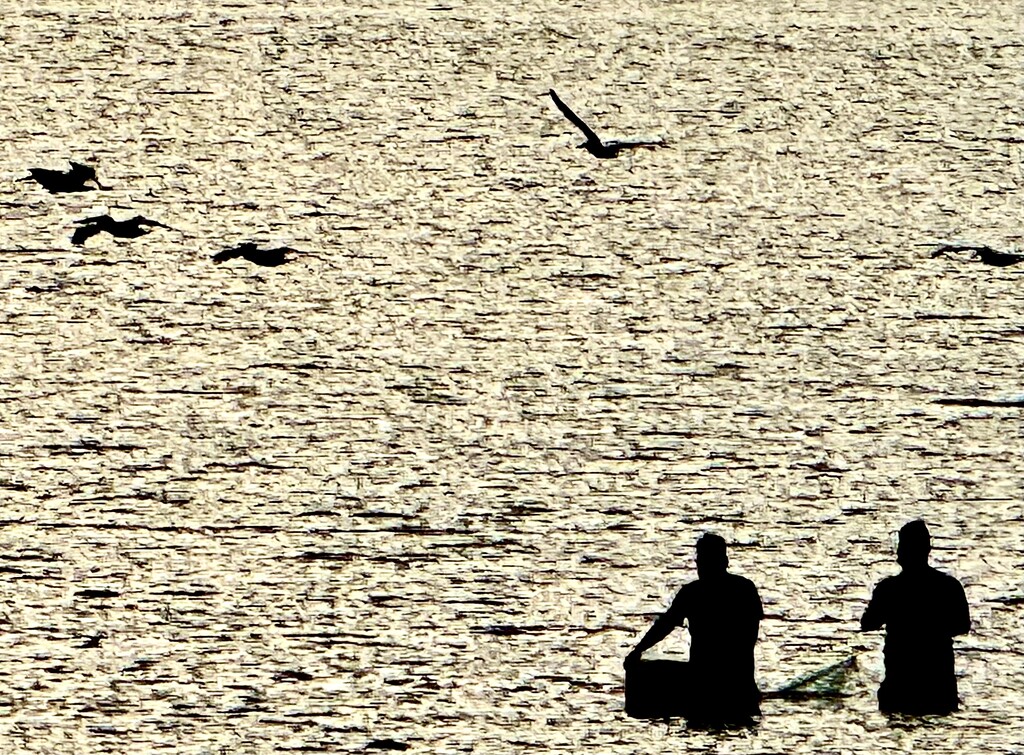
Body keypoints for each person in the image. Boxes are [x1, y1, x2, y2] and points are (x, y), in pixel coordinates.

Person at [624, 533, 763, 725]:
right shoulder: (694, 592)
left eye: (705, 560)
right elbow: (666, 624)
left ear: (723, 561)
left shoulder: (742, 589)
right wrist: (638, 650)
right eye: (700, 560)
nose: (700, 566)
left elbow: (748, 637)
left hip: (730, 683)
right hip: (713, 680)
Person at [861, 520, 971, 715]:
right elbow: (962, 626)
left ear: (902, 551)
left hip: (900, 683)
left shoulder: (889, 588)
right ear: (927, 549)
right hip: (938, 685)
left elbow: (868, 623)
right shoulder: (949, 586)